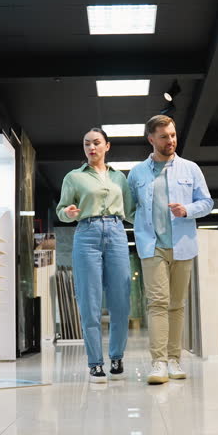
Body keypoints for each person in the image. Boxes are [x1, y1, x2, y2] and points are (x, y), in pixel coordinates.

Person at [127, 115, 213, 384]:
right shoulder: (137, 173)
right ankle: (159, 362)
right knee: (157, 303)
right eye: (164, 137)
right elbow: (129, 209)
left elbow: (207, 202)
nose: (171, 141)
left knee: (176, 305)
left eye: (173, 135)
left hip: (182, 245)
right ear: (151, 139)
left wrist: (187, 209)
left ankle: (174, 359)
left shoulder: (190, 169)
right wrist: (143, 224)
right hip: (152, 246)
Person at [56, 128, 136, 383]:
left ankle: (117, 357)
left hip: (117, 233)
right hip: (86, 234)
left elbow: (131, 212)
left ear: (107, 146)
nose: (91, 147)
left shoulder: (119, 178)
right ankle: (95, 363)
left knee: (120, 302)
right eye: (87, 144)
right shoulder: (74, 177)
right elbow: (61, 210)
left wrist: (157, 222)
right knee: (89, 302)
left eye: (97, 143)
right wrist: (68, 213)